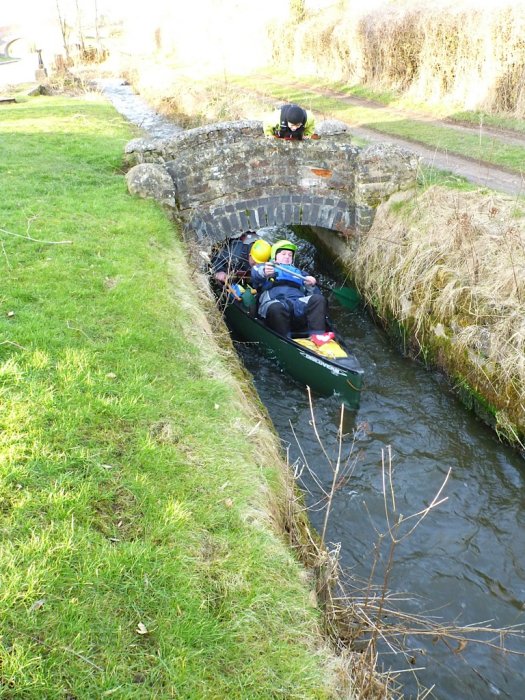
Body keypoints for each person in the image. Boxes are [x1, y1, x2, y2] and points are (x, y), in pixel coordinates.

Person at [250, 239, 328, 336]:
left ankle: (318, 337)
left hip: (297, 304)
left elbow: (315, 294)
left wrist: (310, 286)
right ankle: (284, 340)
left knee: (319, 299)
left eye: (290, 255)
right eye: (283, 254)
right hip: (275, 302)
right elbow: (255, 274)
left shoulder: (301, 273)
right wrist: (264, 272)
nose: (287, 257)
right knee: (276, 308)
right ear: (275, 256)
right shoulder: (267, 267)